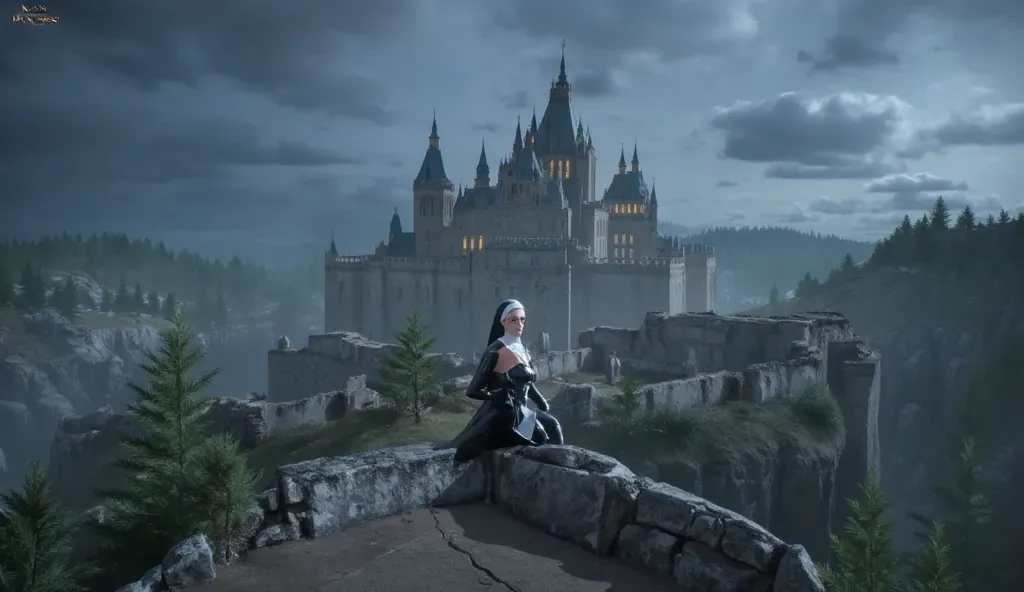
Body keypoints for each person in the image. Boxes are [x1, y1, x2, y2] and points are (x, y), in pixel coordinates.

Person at [444, 299, 564, 462]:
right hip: (506, 414)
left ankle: (562, 465)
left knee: (554, 426)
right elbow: (472, 390)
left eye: (522, 320)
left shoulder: (523, 350)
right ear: (503, 322)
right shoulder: (495, 351)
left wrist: (540, 401)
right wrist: (496, 395)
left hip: (524, 411)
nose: (519, 324)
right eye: (514, 320)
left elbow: (527, 383)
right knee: (541, 436)